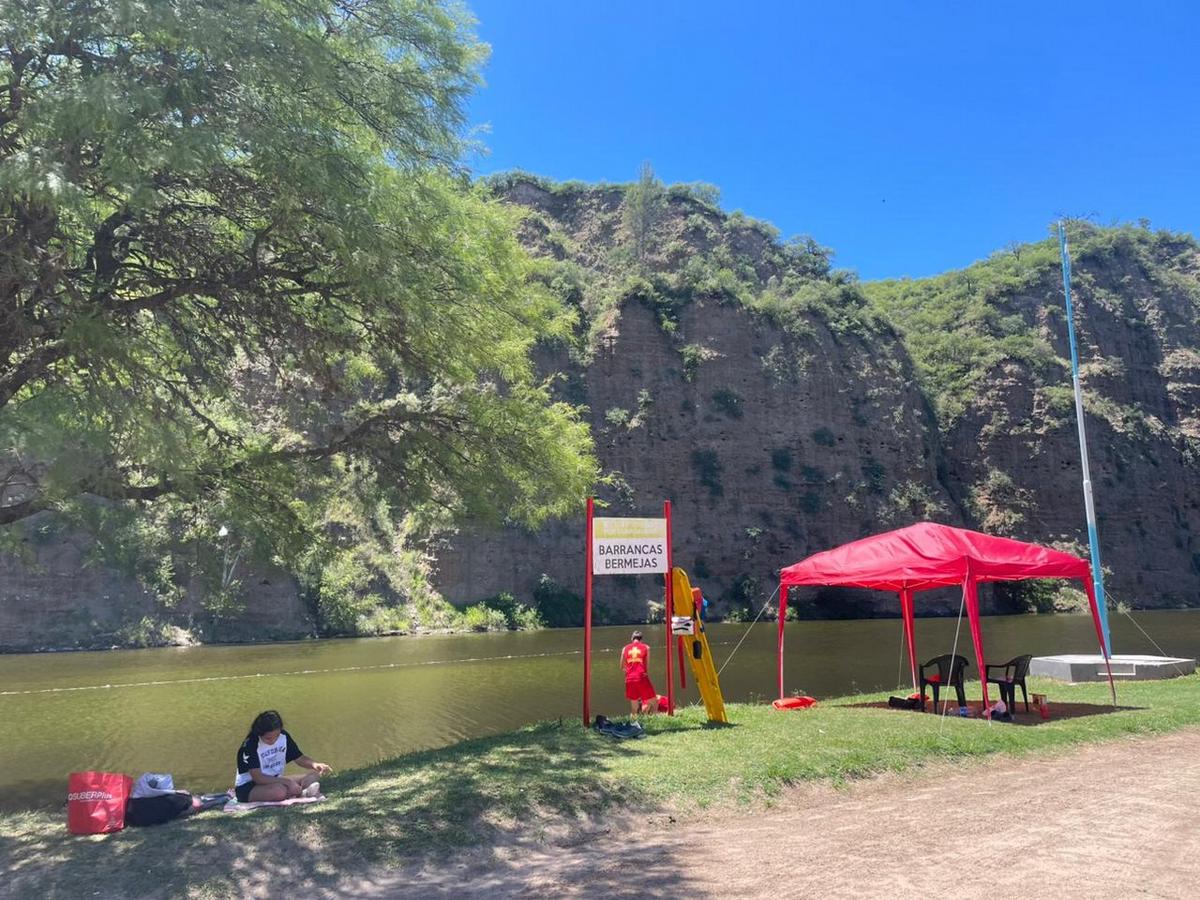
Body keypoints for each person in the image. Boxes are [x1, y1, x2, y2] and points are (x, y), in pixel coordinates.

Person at [234, 710, 332, 803]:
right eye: (268, 738)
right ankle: (303, 793)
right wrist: (287, 782)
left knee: (313, 775)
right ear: (259, 733)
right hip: (249, 787)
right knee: (279, 791)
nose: (273, 741)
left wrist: (315, 765)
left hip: (275, 779)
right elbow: (258, 777)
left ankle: (304, 793)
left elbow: (299, 758)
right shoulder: (250, 745)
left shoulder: (284, 737)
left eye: (276, 736)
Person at [620, 630, 659, 717]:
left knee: (634, 707)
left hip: (629, 679)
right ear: (641, 640)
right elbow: (646, 666)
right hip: (641, 677)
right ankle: (656, 721)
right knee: (655, 702)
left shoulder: (624, 648)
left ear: (632, 639)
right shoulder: (646, 647)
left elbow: (622, 666)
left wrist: (628, 672)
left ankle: (634, 724)